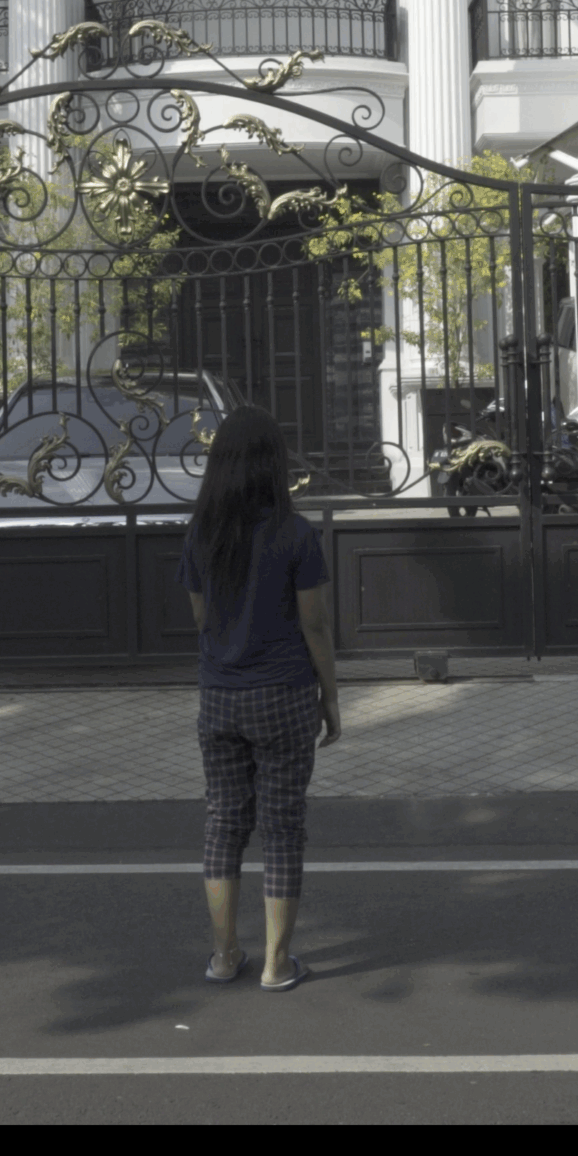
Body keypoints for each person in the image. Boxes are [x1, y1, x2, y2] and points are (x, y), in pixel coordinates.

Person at [177, 404, 339, 992]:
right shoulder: (295, 534)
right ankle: (277, 963)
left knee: (223, 823)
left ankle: (224, 956)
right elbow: (314, 625)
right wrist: (331, 697)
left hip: (220, 696)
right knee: (282, 827)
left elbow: (201, 619)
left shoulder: (202, 534)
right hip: (284, 695)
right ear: (275, 464)